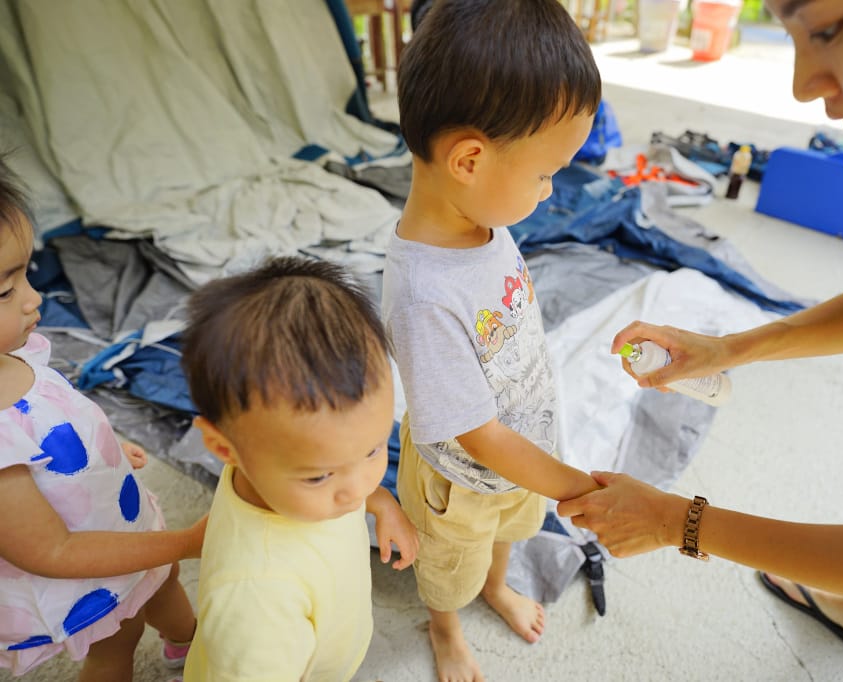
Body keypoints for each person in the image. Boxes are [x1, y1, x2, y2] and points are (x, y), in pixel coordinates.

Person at [558, 0, 843, 667]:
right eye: (790, 36)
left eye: (830, 29)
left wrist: (675, 522)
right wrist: (729, 349)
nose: (803, 83)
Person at [381, 1, 603, 679]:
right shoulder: (423, 295)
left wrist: (547, 471)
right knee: (450, 566)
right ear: (470, 161)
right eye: (543, 173)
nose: (551, 188)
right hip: (462, 479)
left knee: (514, 530)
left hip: (525, 445)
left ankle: (499, 585)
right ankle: (446, 628)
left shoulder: (478, 218)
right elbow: (477, 435)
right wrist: (578, 487)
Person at [0, 156, 204, 681]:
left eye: (27, 275)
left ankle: (188, 642)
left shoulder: (15, 355)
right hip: (85, 571)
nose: (34, 298)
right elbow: (51, 549)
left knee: (162, 576)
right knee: (120, 636)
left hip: (120, 523)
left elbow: (56, 413)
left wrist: (105, 443)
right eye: (5, 290)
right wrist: (186, 539)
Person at [179, 256, 419, 681]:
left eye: (374, 449)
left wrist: (382, 505)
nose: (356, 488)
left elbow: (353, 483)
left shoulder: (267, 468)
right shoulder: (255, 599)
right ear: (222, 447)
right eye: (319, 476)